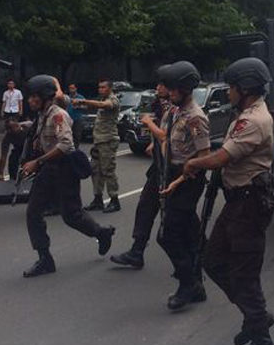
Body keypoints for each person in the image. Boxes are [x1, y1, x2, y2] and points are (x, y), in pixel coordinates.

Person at [182, 58, 274, 345]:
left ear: (245, 88)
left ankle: (262, 341)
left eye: (232, 87)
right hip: (237, 202)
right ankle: (257, 317)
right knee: (213, 261)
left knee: (244, 275)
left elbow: (222, 157)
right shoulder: (245, 115)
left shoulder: (253, 120)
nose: (228, 92)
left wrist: (195, 163)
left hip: (249, 205)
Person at [21, 75, 116, 278]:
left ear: (44, 96)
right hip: (48, 170)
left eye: (33, 97)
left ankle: (101, 233)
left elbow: (65, 145)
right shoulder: (42, 115)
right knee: (33, 212)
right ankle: (45, 258)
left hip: (64, 170)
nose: (30, 100)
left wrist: (37, 162)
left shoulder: (58, 115)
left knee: (71, 216)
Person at [154, 61, 211, 311]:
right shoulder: (174, 111)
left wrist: (177, 182)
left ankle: (188, 284)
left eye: (173, 88)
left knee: (167, 236)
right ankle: (197, 281)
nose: (169, 91)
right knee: (190, 233)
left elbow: (204, 157)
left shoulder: (195, 117)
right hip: (172, 173)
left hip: (188, 179)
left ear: (185, 88)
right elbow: (167, 140)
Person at [110, 79, 172, 269]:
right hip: (159, 167)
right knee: (146, 206)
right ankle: (137, 251)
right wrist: (154, 143)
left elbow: (167, 136)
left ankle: (197, 254)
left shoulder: (176, 108)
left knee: (179, 217)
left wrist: (149, 124)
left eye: (162, 84)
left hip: (174, 170)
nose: (157, 87)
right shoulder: (161, 105)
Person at [74, 79, 121, 213]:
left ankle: (114, 200)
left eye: (103, 87)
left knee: (108, 171)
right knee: (95, 171)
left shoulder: (113, 100)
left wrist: (83, 101)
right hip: (98, 141)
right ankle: (98, 199)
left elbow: (103, 105)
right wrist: (80, 106)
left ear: (110, 88)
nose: (100, 89)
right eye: (99, 87)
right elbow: (96, 105)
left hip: (108, 141)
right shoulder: (102, 99)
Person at [67, 83, 85, 149]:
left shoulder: (80, 97)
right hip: (68, 118)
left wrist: (78, 106)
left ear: (76, 89)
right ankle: (69, 148)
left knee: (77, 134)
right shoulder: (67, 97)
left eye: (72, 88)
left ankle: (76, 148)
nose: (71, 90)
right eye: (70, 88)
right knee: (68, 134)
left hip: (77, 118)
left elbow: (86, 106)